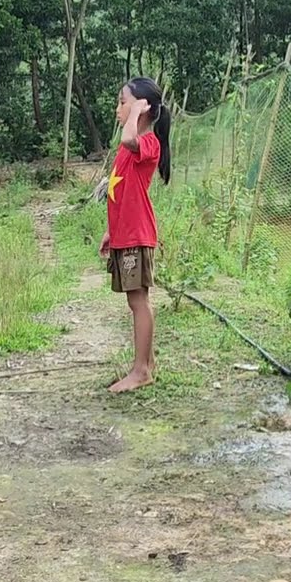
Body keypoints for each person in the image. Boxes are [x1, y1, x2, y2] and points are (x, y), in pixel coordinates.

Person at [99, 77, 172, 393]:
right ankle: (146, 364)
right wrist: (110, 232)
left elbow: (131, 138)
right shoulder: (128, 147)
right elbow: (122, 193)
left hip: (137, 235)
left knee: (138, 301)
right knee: (134, 301)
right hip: (124, 234)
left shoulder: (148, 144)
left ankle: (141, 370)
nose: (118, 108)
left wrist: (134, 115)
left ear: (142, 108)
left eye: (122, 101)